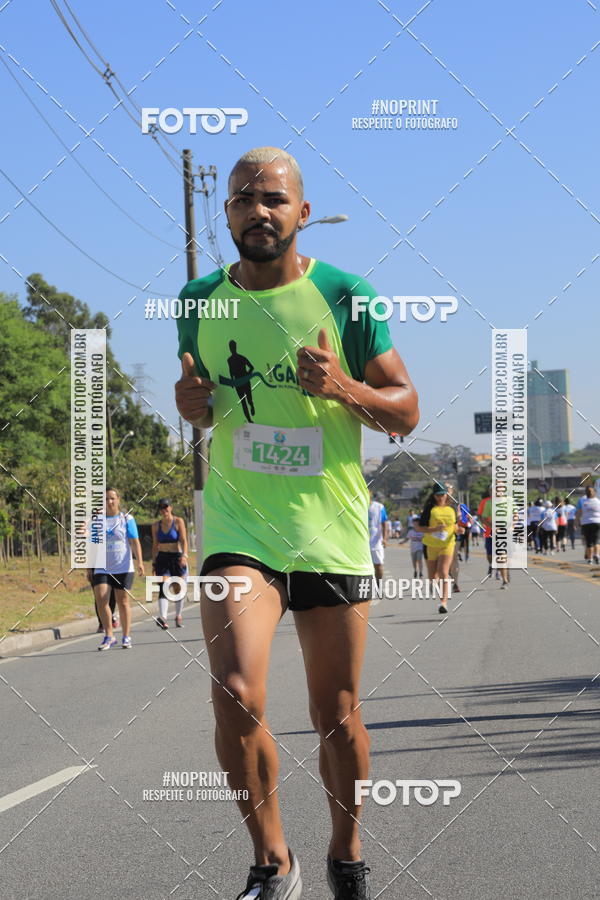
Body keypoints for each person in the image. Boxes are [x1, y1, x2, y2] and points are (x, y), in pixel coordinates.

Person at [175, 146, 419, 900]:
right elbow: (201, 395)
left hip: (330, 529)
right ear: (227, 215)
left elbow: (406, 409)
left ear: (302, 213)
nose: (259, 211)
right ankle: (273, 862)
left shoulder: (349, 296)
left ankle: (346, 853)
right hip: (240, 529)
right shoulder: (197, 299)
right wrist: (190, 406)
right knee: (238, 690)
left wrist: (344, 386)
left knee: (335, 713)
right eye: (244, 200)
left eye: (274, 199)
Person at [90, 488, 144, 650]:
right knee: (101, 599)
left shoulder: (126, 519)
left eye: (112, 498)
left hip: (123, 566)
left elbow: (135, 542)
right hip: (102, 567)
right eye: (106, 499)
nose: (109, 502)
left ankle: (126, 636)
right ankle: (109, 635)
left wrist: (140, 562)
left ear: (118, 499)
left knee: (123, 601)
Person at [413, 482, 463, 613]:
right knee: (432, 576)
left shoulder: (451, 509)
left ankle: (443, 603)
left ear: (447, 495)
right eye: (438, 495)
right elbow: (419, 528)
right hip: (431, 545)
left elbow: (455, 525)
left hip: (447, 544)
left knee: (443, 573)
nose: (440, 497)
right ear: (434, 496)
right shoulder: (430, 509)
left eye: (442, 494)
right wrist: (435, 529)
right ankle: (440, 593)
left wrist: (459, 530)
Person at [151, 498, 189, 629]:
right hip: (162, 558)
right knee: (164, 585)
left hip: (176, 557)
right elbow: (155, 545)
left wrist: (184, 555)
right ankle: (163, 618)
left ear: (171, 507)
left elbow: (184, 540)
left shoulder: (178, 522)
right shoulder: (156, 526)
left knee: (178, 588)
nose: (164, 510)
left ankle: (178, 615)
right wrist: (154, 563)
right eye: (161, 507)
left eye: (166, 507)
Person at [477, 491, 509, 588]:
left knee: (501, 555)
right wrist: (486, 524)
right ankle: (492, 565)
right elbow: (481, 515)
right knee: (490, 555)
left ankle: (504, 579)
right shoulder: (486, 502)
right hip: (489, 532)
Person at [368, 491, 389, 584]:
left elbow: (384, 523)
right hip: (362, 544)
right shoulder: (357, 506)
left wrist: (384, 538)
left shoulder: (379, 507)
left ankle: (378, 584)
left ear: (370, 494)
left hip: (376, 542)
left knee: (378, 565)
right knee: (366, 567)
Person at [575, 487, 600, 565]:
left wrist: (576, 522)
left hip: (586, 523)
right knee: (596, 540)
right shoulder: (598, 501)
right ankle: (597, 555)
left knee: (589, 542)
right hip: (597, 523)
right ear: (594, 493)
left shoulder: (582, 501)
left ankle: (590, 559)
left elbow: (578, 513)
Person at [407, 514, 424, 578]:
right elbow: (407, 538)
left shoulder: (422, 531)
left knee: (419, 559)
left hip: (420, 548)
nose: (415, 525)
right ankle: (415, 570)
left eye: (417, 523)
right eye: (414, 523)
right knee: (414, 562)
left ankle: (421, 572)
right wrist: (402, 542)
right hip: (413, 549)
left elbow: (425, 538)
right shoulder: (411, 531)